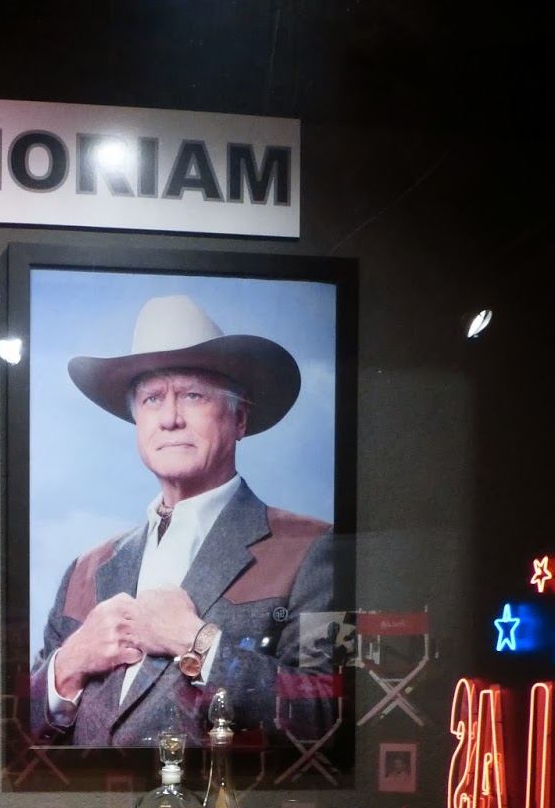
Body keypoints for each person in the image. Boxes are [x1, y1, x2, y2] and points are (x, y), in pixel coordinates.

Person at [30, 294, 336, 747]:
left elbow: (329, 714)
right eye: (152, 399)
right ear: (137, 421)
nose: (170, 418)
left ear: (239, 418)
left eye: (192, 395)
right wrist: (69, 663)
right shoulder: (83, 571)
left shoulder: (313, 548)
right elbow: (16, 733)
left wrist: (199, 642)